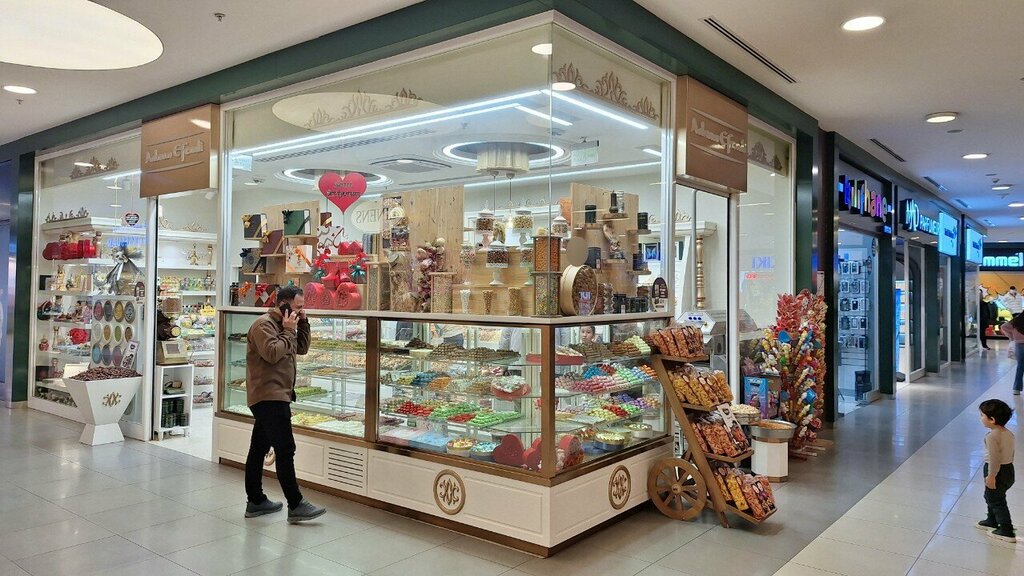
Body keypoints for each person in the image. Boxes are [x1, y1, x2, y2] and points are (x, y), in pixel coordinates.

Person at [243, 286, 325, 523]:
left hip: (279, 394)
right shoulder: (263, 325)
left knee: (258, 448)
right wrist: (289, 330)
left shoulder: (287, 324)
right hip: (268, 396)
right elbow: (272, 353)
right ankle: (296, 503)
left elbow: (301, 348)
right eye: (298, 307)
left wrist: (303, 325)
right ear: (283, 305)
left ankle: (256, 501)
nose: (300, 311)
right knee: (286, 449)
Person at [977, 399, 1016, 543]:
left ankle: (1006, 530)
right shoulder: (1008, 433)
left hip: (996, 470)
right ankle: (991, 520)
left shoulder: (992, 436)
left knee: (995, 499)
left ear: (992, 420)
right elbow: (1010, 454)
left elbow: (994, 458)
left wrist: (991, 475)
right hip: (1008, 469)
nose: (980, 418)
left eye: (982, 415)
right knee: (993, 496)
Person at [999, 313, 1024, 395]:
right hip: (1019, 344)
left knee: (1020, 366)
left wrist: (1012, 336)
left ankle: (1016, 389)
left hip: (1019, 345)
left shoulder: (1017, 320)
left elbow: (1004, 326)